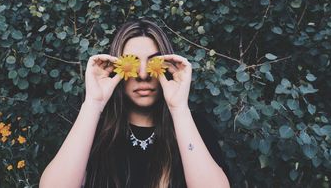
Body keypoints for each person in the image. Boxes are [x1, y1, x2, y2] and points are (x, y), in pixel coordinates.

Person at [40, 18, 230, 188]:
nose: (143, 75)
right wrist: (93, 103)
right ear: (116, 68)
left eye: (153, 63)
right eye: (130, 63)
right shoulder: (94, 129)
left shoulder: (192, 128)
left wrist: (179, 109)